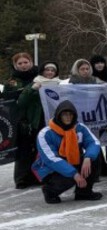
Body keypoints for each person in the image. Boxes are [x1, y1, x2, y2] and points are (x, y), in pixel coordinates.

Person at [33, 100, 102, 203]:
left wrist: (88, 157)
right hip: (51, 169)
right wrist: (74, 173)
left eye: (71, 114)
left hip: (72, 162)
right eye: (64, 114)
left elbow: (94, 142)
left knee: (95, 156)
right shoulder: (45, 134)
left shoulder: (80, 128)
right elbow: (51, 159)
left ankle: (83, 192)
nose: (68, 117)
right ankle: (49, 191)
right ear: (58, 115)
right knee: (68, 177)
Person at [13, 61, 61, 189]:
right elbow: (21, 102)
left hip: (53, 122)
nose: (50, 72)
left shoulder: (60, 84)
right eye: (47, 70)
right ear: (42, 71)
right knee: (32, 150)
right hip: (36, 121)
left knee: (50, 149)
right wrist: (33, 89)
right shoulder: (35, 83)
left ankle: (45, 175)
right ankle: (24, 177)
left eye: (52, 70)